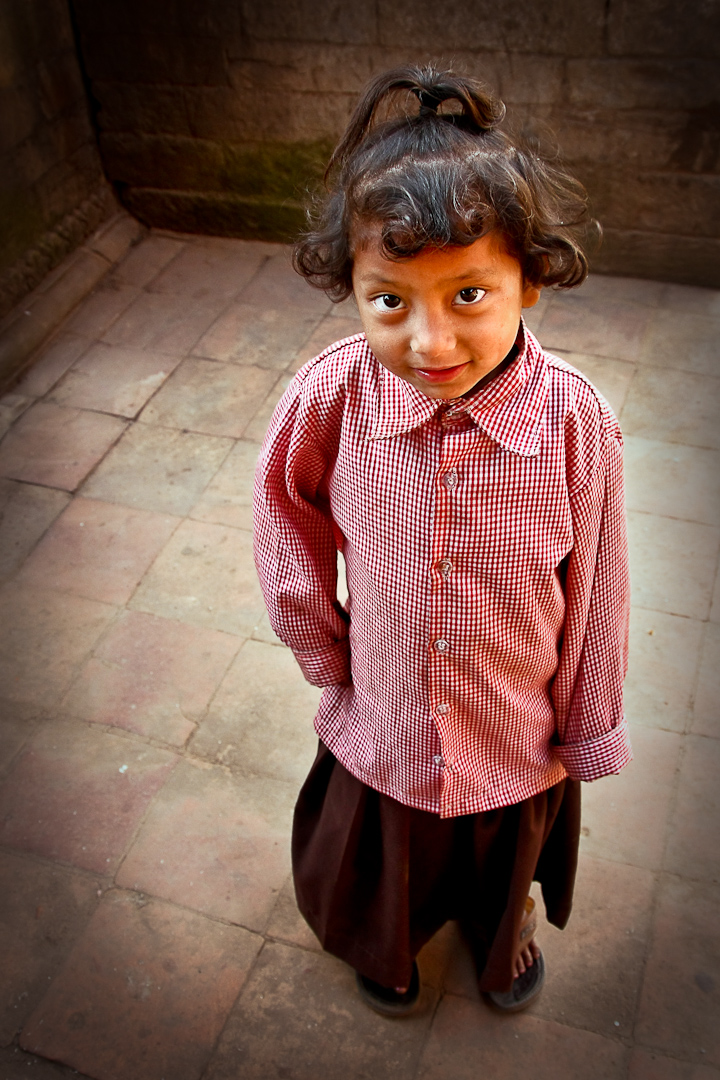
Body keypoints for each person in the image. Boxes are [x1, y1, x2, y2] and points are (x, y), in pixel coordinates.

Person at [253, 65, 631, 1018]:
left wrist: (586, 724)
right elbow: (285, 520)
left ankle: (501, 943)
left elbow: (599, 592)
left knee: (503, 860)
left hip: (515, 726)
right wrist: (326, 653)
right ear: (351, 286)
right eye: (390, 300)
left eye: (468, 294)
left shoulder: (576, 426)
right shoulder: (332, 397)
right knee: (389, 859)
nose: (430, 341)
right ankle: (386, 949)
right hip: (385, 712)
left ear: (529, 281)